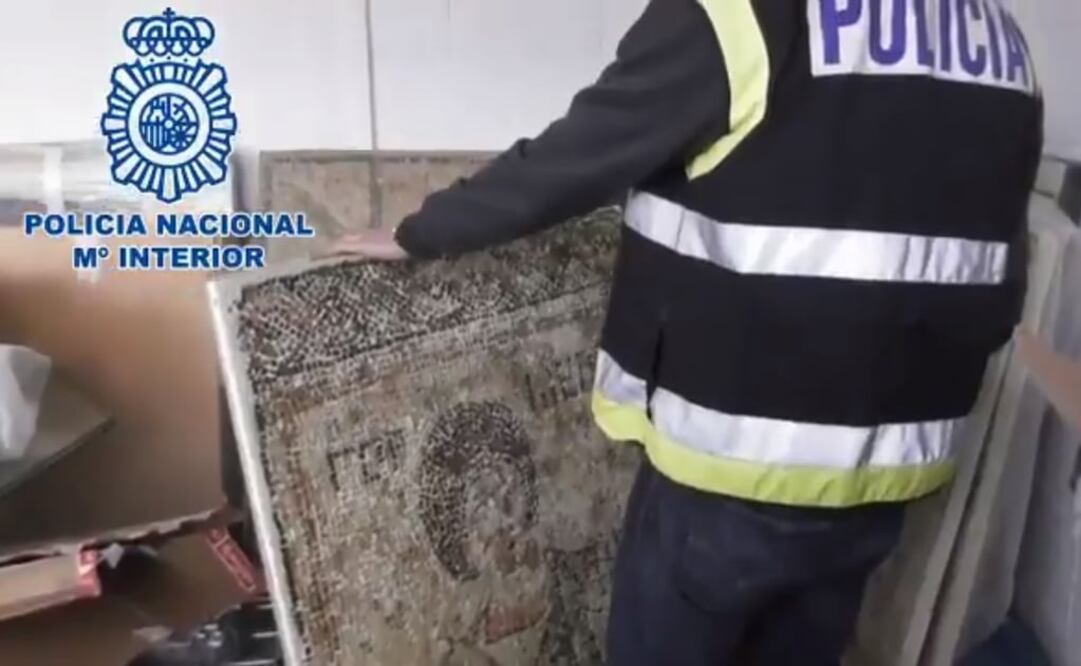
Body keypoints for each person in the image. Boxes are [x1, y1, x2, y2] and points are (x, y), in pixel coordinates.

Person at [328, 0, 1045, 663]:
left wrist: (424, 230)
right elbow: (998, 273)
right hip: (888, 475)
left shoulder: (737, 14)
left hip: (736, 467)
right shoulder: (995, 40)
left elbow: (580, 155)